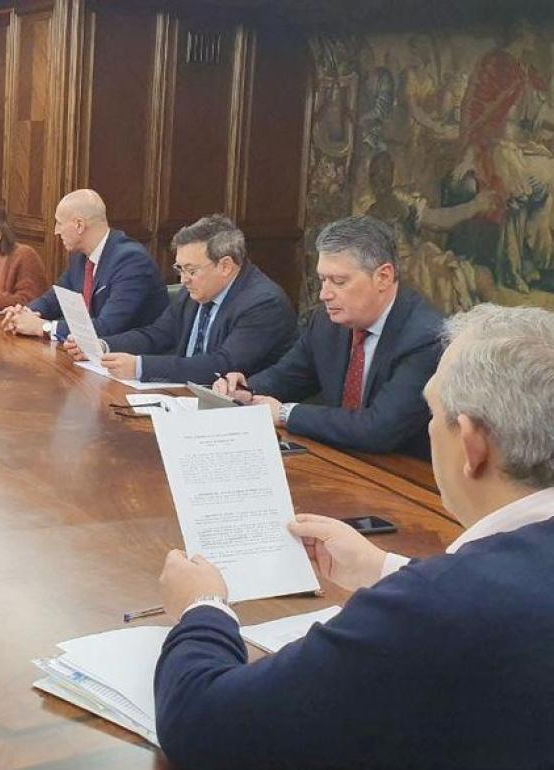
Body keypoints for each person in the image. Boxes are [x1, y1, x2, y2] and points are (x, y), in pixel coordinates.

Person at [154, 303, 554, 770]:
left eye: (432, 411)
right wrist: (382, 568)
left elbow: (202, 725)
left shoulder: (434, 607)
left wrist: (202, 609)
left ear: (471, 446)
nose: (427, 427)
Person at [214, 215, 442, 458]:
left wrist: (285, 414)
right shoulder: (328, 322)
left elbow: (379, 428)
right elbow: (289, 375)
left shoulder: (425, 337)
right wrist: (245, 389)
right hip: (340, 457)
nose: (324, 294)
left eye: (339, 281)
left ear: (383, 277)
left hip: (401, 471)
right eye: (323, 279)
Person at [63, 214, 297, 384]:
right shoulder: (194, 292)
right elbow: (157, 334)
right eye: (180, 269)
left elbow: (222, 365)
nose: (183, 280)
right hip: (184, 396)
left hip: (242, 413)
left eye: (191, 270)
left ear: (225, 266)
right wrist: (103, 347)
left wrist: (140, 367)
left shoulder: (263, 303)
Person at [1, 189, 166, 340]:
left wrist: (44, 327)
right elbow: (54, 299)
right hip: (90, 352)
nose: (56, 231)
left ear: (79, 225)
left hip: (130, 355)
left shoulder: (131, 261)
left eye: (59, 223)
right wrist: (25, 313)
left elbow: (108, 327)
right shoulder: (80, 257)